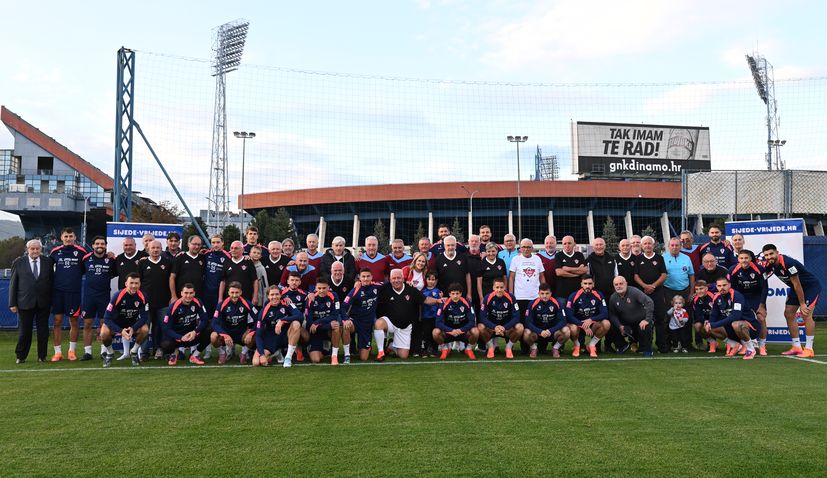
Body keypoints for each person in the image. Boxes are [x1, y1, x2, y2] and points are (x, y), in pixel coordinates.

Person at [762, 244, 822, 357]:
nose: (769, 257)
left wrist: (802, 304)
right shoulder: (769, 265)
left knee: (806, 314)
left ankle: (809, 349)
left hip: (810, 287)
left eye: (771, 254)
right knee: (788, 314)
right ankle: (796, 346)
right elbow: (762, 276)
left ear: (777, 252)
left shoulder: (788, 263)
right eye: (766, 255)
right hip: (796, 289)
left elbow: (797, 284)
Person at [375, 269, 437, 361]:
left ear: (403, 278)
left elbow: (425, 299)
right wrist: (358, 283)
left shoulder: (411, 289)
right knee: (379, 323)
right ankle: (381, 352)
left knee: (403, 355)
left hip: (405, 327)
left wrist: (437, 300)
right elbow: (372, 285)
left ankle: (391, 345)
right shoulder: (384, 288)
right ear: (390, 279)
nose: (396, 280)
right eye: (394, 278)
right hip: (390, 323)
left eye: (399, 278)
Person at [10, 239, 54, 363]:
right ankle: (21, 356)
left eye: (37, 248)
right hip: (24, 302)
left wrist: (52, 302)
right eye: (32, 249)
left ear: (41, 249)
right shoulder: (18, 262)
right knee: (25, 332)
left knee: (43, 332)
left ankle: (42, 356)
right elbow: (13, 283)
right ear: (27, 249)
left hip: (43, 302)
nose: (35, 251)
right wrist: (12, 303)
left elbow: (51, 283)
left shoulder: (48, 262)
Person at [49, 227, 88, 362]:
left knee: (73, 321)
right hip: (58, 292)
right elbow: (48, 270)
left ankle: (72, 351)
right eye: (66, 236)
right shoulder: (55, 252)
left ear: (75, 237)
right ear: (61, 238)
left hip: (73, 292)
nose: (68, 239)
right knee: (57, 321)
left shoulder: (81, 252)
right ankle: (58, 352)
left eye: (70, 236)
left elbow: (86, 268)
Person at [100, 273, 150, 368]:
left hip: (132, 324)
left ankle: (134, 352)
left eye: (136, 283)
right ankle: (110, 353)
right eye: (131, 283)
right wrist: (120, 331)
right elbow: (106, 318)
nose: (134, 286)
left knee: (145, 329)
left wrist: (133, 328)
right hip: (116, 323)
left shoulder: (143, 296)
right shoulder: (117, 296)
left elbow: (144, 317)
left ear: (140, 284)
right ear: (126, 283)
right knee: (104, 333)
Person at [704, 276, 760, 360]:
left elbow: (735, 316)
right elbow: (714, 315)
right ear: (716, 287)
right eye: (719, 286)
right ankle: (735, 345)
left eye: (724, 285)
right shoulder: (716, 297)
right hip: (731, 328)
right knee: (711, 327)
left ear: (729, 285)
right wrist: (710, 324)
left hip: (750, 326)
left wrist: (713, 324)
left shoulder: (737, 296)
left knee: (736, 324)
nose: (722, 288)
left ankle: (751, 349)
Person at [80, 236, 117, 360]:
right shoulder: (85, 258)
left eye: (102, 243)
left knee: (104, 324)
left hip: (104, 296)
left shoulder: (111, 259)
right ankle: (88, 352)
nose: (100, 246)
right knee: (87, 323)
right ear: (93, 245)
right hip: (89, 296)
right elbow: (80, 272)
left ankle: (103, 351)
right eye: (97, 243)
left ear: (105, 246)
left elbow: (116, 273)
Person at [729, 250, 769, 355]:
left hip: (756, 296)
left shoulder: (759, 269)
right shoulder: (733, 270)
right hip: (741, 297)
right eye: (741, 258)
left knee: (761, 318)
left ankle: (762, 345)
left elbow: (765, 288)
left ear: (750, 258)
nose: (744, 260)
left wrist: (762, 305)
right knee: (741, 320)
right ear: (738, 259)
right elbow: (732, 289)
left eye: (746, 258)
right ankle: (746, 345)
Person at [139, 240, 173, 359]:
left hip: (163, 302)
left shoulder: (167, 263)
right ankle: (144, 352)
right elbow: (138, 283)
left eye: (158, 247)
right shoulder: (142, 263)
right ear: (148, 249)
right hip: (146, 304)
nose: (155, 250)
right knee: (145, 327)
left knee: (162, 328)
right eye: (153, 247)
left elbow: (171, 280)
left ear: (161, 249)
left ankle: (161, 350)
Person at [634, 236, 668, 353]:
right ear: (642, 246)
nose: (647, 245)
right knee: (643, 320)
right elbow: (636, 276)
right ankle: (644, 346)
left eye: (649, 243)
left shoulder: (659, 258)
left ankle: (662, 346)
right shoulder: (638, 259)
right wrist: (644, 286)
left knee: (660, 320)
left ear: (653, 245)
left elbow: (664, 275)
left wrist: (653, 286)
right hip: (642, 294)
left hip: (657, 293)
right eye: (645, 244)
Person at [161, 284, 209, 365]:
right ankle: (174, 354)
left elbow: (205, 319)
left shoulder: (198, 302)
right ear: (181, 293)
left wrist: (195, 332)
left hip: (191, 336)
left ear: (194, 293)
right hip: (178, 337)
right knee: (165, 344)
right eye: (186, 293)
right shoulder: (173, 306)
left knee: (210, 329)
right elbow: (166, 328)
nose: (188, 295)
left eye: (191, 293)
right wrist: (180, 337)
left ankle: (194, 356)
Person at [253, 286, 301, 367]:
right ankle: (276, 353)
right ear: (268, 297)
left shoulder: (287, 303)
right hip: (272, 337)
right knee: (256, 362)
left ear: (280, 295)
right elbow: (258, 335)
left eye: (277, 294)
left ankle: (288, 358)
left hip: (286, 335)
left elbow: (299, 316)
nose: (274, 297)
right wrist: (261, 355)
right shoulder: (264, 311)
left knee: (296, 324)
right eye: (272, 295)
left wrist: (282, 321)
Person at [523, 283, 574, 358]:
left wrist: (550, 330)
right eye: (542, 293)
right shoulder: (532, 303)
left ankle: (555, 348)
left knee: (566, 330)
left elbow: (563, 321)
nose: (544, 296)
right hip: (538, 333)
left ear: (551, 293)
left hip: (552, 333)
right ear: (538, 294)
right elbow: (527, 322)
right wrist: (540, 331)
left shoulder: (558, 303)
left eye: (547, 293)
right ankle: (534, 348)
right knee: (526, 332)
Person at [477, 277, 523, 359]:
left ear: (505, 287)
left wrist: (504, 327)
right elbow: (482, 317)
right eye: (497, 287)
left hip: (506, 328)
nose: (499, 290)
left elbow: (517, 316)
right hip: (492, 328)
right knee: (480, 327)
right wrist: (494, 327)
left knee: (520, 327)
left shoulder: (511, 297)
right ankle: (491, 347)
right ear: (493, 288)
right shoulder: (487, 298)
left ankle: (508, 347)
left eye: (501, 287)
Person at [608, 276, 654, 357]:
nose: (618, 286)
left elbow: (649, 302)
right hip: (626, 324)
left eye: (621, 283)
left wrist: (647, 320)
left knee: (646, 325)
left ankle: (647, 349)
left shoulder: (634, 291)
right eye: (616, 284)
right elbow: (612, 314)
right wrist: (620, 326)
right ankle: (622, 345)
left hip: (640, 322)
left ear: (626, 283)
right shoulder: (613, 297)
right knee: (610, 324)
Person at [211, 281, 256, 365]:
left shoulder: (247, 303)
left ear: (241, 292)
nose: (234, 295)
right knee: (213, 336)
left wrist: (251, 332)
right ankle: (222, 353)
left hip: (241, 335)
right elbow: (214, 323)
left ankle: (243, 353)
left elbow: (258, 320)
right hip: (226, 335)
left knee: (254, 334)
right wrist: (224, 334)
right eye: (232, 292)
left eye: (237, 292)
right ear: (228, 292)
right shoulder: (222, 304)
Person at [343, 268, 382, 361]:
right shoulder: (356, 290)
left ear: (372, 277)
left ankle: (366, 347)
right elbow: (343, 306)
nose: (365, 279)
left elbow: (391, 285)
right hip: (355, 321)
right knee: (346, 326)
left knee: (364, 358)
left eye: (368, 276)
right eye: (363, 276)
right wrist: (346, 319)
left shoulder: (378, 287)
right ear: (359, 278)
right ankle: (347, 354)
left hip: (367, 324)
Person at [566, 275, 611, 358]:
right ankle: (577, 346)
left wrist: (591, 320)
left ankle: (591, 345)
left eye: (590, 283)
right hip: (578, 325)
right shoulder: (573, 296)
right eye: (585, 283)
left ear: (593, 284)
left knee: (606, 323)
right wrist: (582, 324)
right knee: (572, 328)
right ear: (581, 284)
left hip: (592, 325)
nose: (587, 286)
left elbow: (605, 313)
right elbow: (569, 315)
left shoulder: (599, 295)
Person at [433, 283, 479, 360]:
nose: (455, 296)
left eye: (457, 293)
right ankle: (445, 348)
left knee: (476, 331)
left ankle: (468, 349)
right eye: (453, 294)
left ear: (461, 294)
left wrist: (461, 330)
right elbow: (438, 322)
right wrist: (451, 330)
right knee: (435, 332)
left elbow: (472, 321)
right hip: (449, 332)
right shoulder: (444, 304)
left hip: (462, 332)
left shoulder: (467, 303)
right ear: (449, 294)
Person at [305, 277, 344, 365]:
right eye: (319, 288)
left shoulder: (334, 296)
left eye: (324, 288)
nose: (321, 291)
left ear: (328, 287)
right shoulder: (310, 298)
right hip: (316, 331)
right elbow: (309, 320)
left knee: (336, 325)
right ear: (315, 288)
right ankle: (322, 347)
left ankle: (334, 356)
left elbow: (334, 315)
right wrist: (317, 324)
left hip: (326, 328)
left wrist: (318, 322)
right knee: (316, 360)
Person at [508, 238, 545, 313]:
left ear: (532, 248)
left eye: (528, 247)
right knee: (521, 321)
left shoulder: (537, 259)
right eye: (524, 247)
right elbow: (511, 278)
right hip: (520, 296)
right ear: (520, 248)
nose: (526, 249)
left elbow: (542, 277)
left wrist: (543, 292)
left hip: (535, 296)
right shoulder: (515, 259)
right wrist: (511, 295)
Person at [220, 241, 260, 305]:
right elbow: (223, 281)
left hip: (246, 298)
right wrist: (220, 298)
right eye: (231, 248)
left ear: (242, 250)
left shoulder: (248, 262)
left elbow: (255, 280)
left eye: (236, 248)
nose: (233, 250)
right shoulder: (227, 262)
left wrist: (255, 296)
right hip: (229, 299)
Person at [170, 235, 205, 302]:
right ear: (188, 244)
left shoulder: (203, 258)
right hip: (181, 297)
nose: (197, 247)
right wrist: (173, 296)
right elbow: (172, 277)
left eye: (199, 244)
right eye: (194, 244)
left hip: (197, 298)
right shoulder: (180, 258)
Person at [203, 234, 230, 321]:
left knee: (218, 318)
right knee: (205, 317)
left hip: (219, 293)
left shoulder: (227, 256)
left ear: (222, 243)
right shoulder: (206, 254)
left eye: (218, 242)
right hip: (206, 292)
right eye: (213, 242)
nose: (215, 245)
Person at [691, 280, 722, 352]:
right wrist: (704, 320)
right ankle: (712, 342)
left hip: (717, 319)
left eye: (701, 288)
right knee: (697, 326)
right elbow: (698, 314)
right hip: (705, 319)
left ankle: (731, 343)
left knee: (712, 327)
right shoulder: (695, 300)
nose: (699, 291)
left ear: (706, 289)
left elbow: (718, 312)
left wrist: (710, 321)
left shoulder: (713, 297)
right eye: (697, 289)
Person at [663, 237, 695, 307]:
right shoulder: (662, 258)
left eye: (677, 245)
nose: (674, 247)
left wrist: (691, 293)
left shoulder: (686, 258)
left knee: (685, 314)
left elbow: (691, 276)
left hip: (685, 291)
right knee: (670, 314)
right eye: (672, 245)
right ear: (668, 246)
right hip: (668, 291)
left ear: (681, 246)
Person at [555, 235, 588, 303]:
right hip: (562, 294)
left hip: (578, 293)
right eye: (565, 243)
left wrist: (567, 269)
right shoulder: (558, 255)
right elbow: (559, 272)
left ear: (574, 244)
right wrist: (576, 272)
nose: (567, 245)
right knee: (563, 313)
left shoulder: (579, 255)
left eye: (569, 243)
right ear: (562, 245)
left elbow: (584, 270)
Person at [418, 271, 442, 357]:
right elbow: (420, 305)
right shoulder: (422, 291)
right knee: (426, 333)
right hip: (426, 316)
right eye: (429, 279)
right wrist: (420, 316)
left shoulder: (438, 291)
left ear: (436, 281)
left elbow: (441, 304)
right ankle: (425, 349)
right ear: (426, 280)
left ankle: (434, 350)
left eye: (433, 279)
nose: (431, 281)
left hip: (435, 317)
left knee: (434, 333)